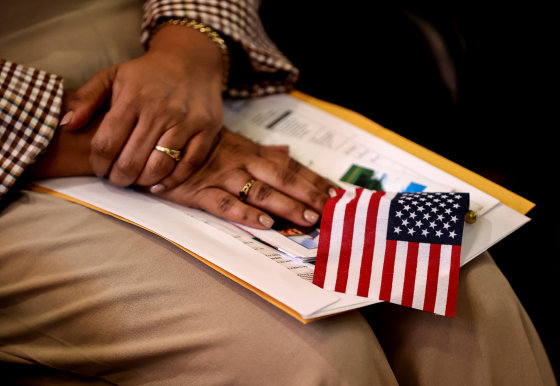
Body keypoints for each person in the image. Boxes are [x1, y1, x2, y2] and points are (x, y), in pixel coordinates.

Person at [0, 0, 555, 384]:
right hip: (23, 154)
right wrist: (145, 145)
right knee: (313, 360)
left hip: (170, 60)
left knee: (459, 284)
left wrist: (192, 44)